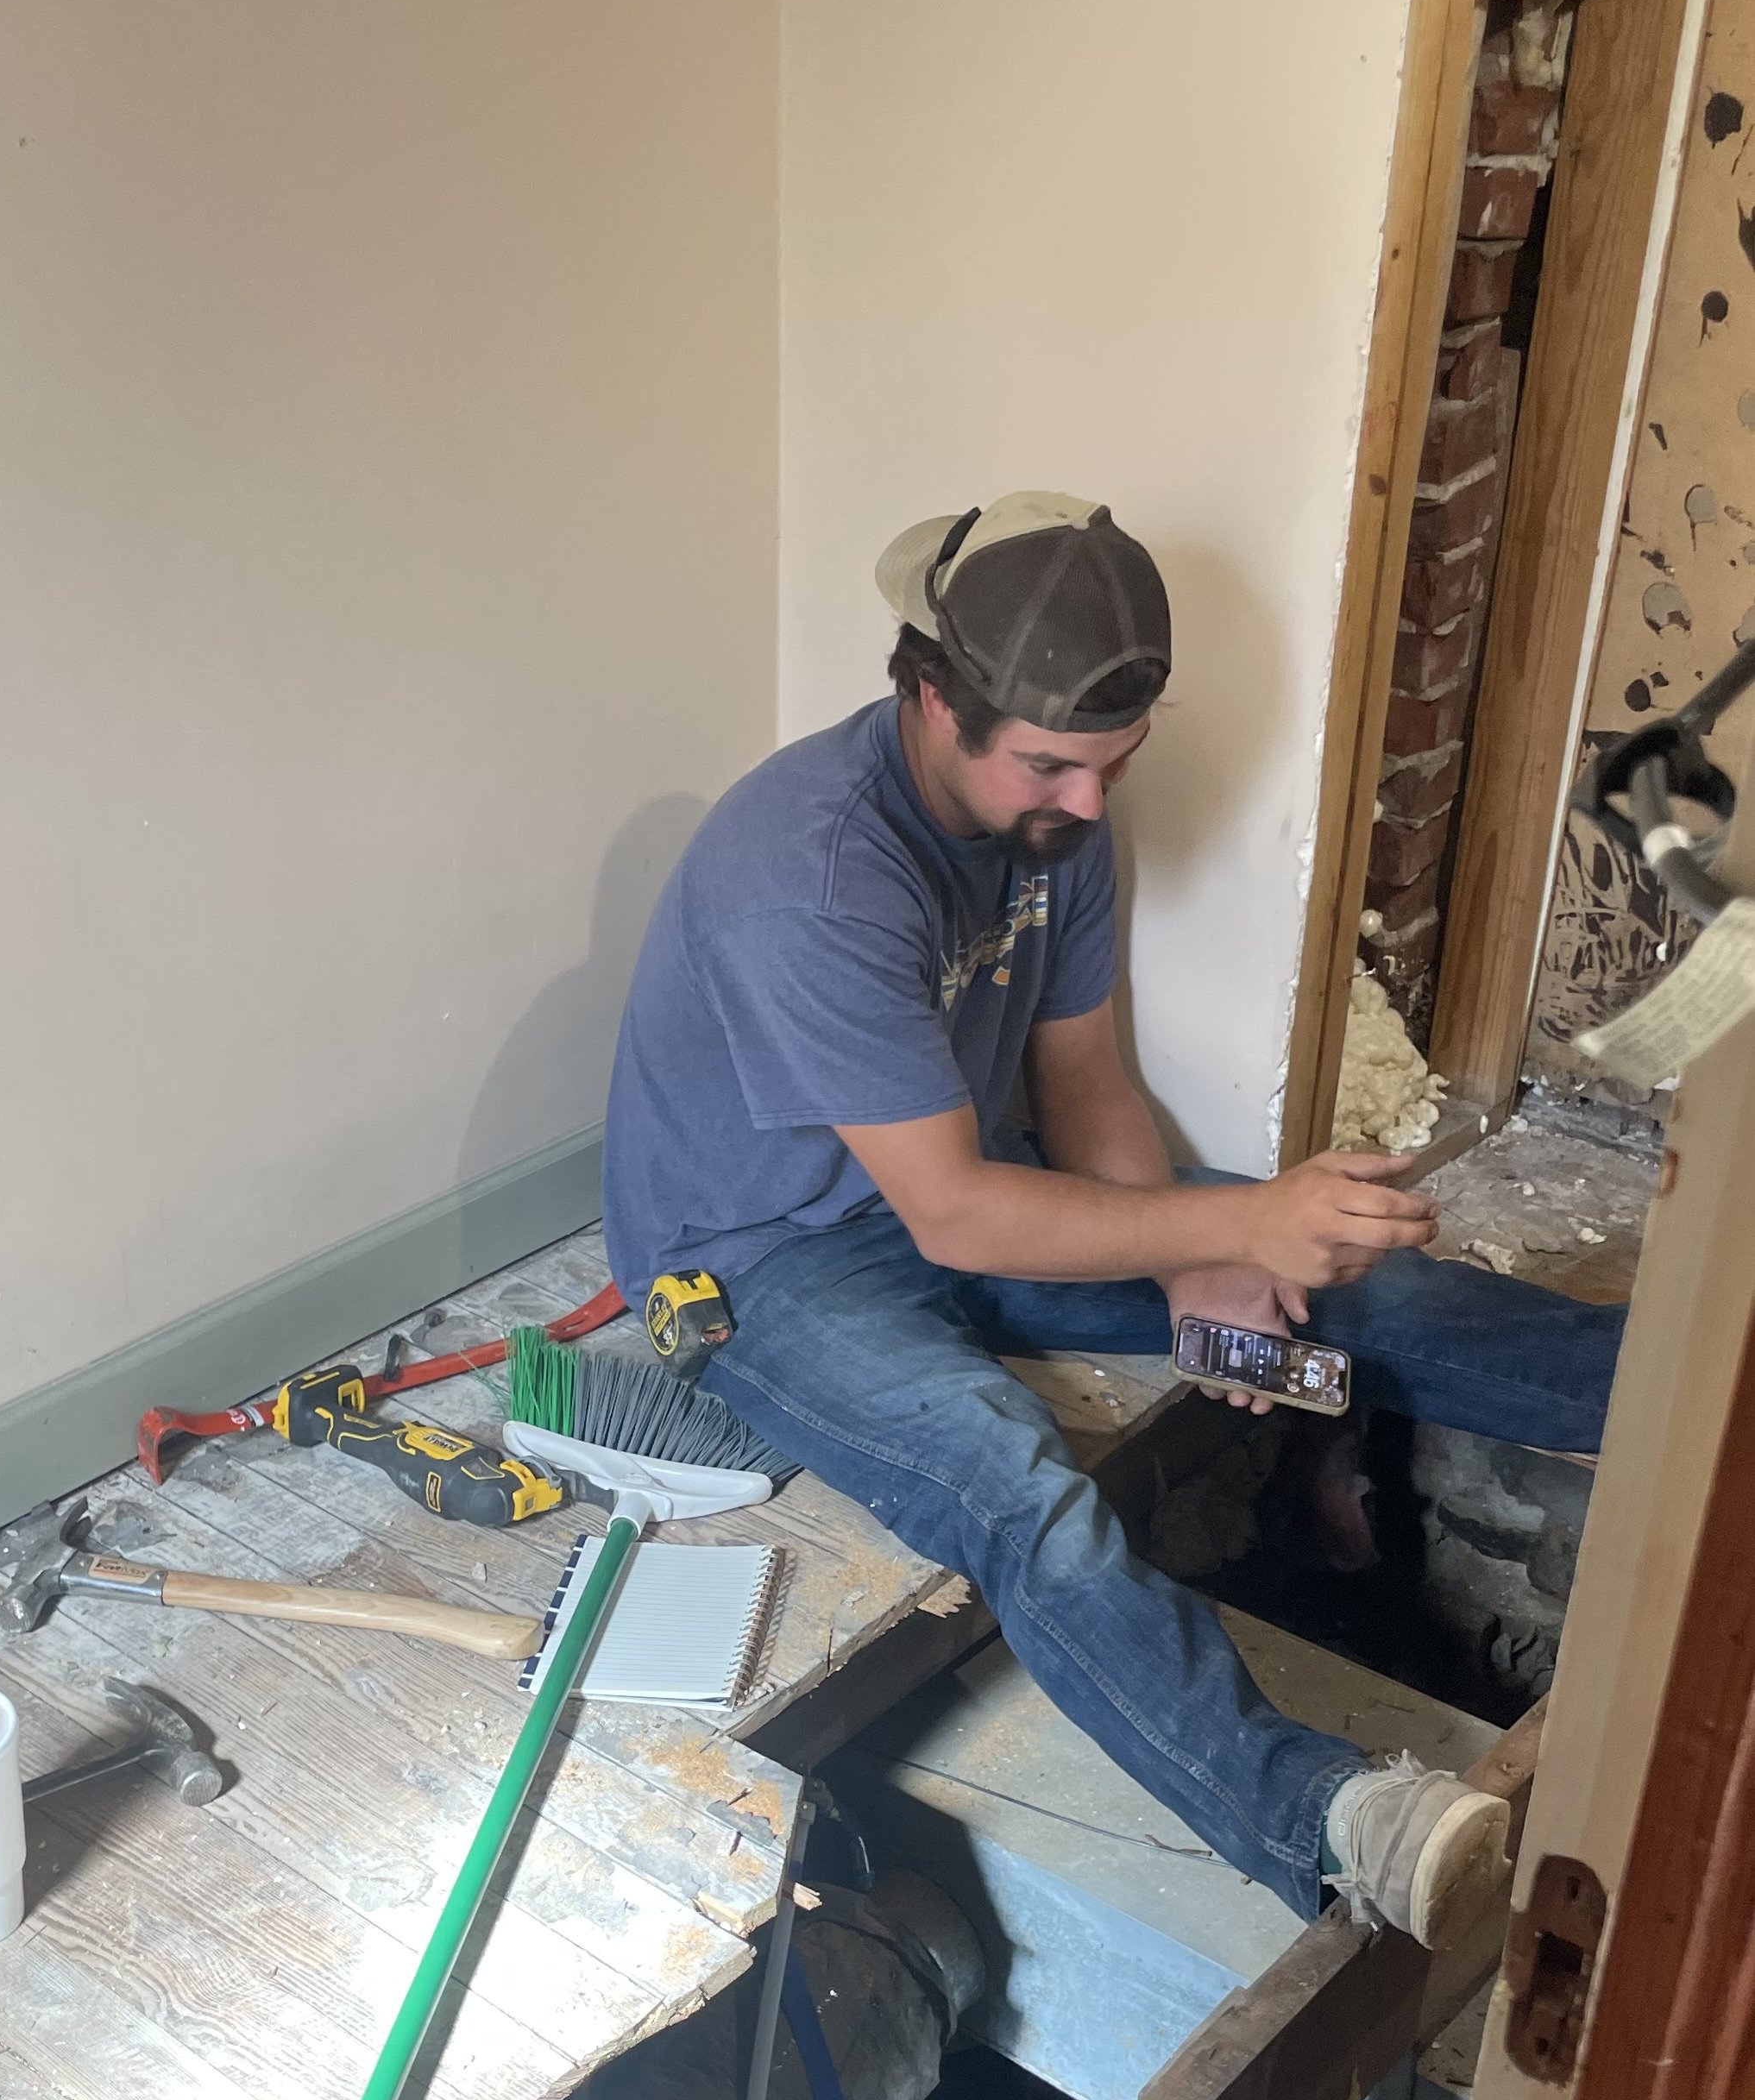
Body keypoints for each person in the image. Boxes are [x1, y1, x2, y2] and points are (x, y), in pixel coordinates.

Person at [601, 494, 1623, 1942]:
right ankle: (1334, 1820)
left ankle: (1676, 1399)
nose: (1086, 806)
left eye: (1111, 766)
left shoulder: (1052, 825)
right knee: (1006, 1473)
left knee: (1346, 1292)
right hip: (765, 1258)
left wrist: (1211, 1255)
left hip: (970, 1184)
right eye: (1050, 767)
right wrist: (1239, 1222)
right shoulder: (811, 876)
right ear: (928, 695)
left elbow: (1084, 1085)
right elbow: (954, 1218)